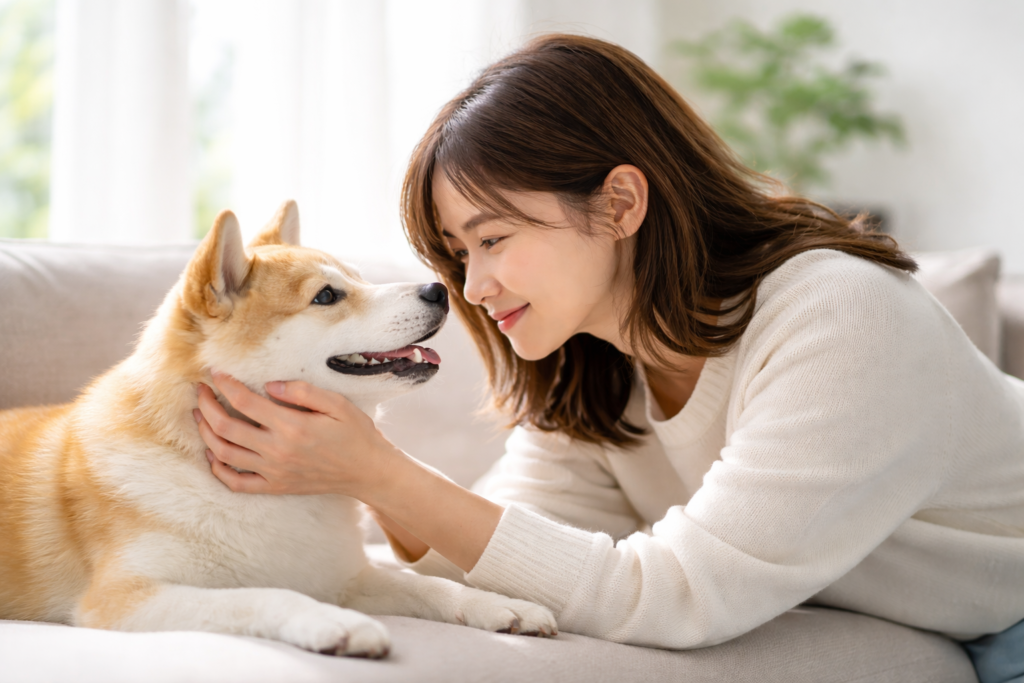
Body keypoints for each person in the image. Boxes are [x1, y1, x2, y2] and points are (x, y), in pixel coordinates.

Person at [194, 33, 1024, 679]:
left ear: (620, 202)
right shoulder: (598, 366)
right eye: (457, 254)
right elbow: (497, 560)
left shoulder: (842, 316)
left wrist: (379, 472)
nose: (472, 287)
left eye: (493, 238)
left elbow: (677, 594)